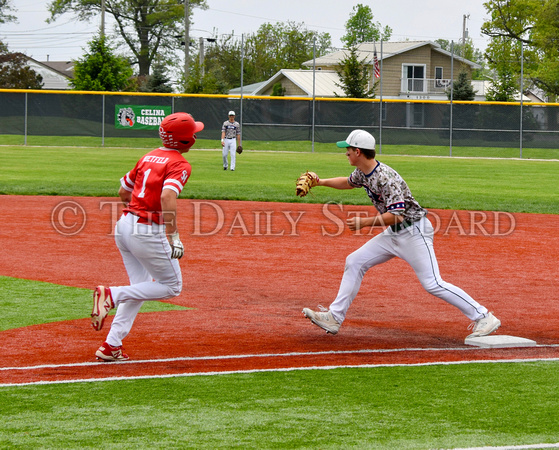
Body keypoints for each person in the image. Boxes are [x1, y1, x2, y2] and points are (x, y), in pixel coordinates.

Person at [302, 129, 501, 339]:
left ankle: (484, 316)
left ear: (358, 152)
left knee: (433, 283)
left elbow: (397, 215)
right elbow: (348, 182)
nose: (346, 153)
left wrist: (364, 223)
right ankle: (334, 317)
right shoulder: (363, 172)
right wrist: (320, 181)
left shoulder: (386, 178)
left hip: (414, 231)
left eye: (348, 149)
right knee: (355, 261)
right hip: (394, 234)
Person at [90, 112, 204, 361]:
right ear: (185, 140)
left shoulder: (148, 156)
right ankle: (111, 295)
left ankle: (111, 345)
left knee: (139, 288)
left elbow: (123, 190)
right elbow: (166, 197)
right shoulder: (180, 164)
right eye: (193, 132)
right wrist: (173, 235)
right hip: (146, 231)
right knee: (172, 287)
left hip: (124, 226)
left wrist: (135, 212)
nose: (195, 134)